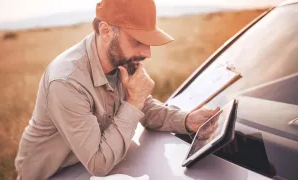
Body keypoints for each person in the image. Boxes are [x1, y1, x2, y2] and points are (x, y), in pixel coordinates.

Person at [14, 0, 219, 179]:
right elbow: (99, 163)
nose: (147, 52)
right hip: (52, 174)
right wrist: (135, 100)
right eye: (138, 41)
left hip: (88, 167)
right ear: (106, 31)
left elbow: (142, 105)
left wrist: (185, 120)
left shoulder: (120, 59)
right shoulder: (66, 83)